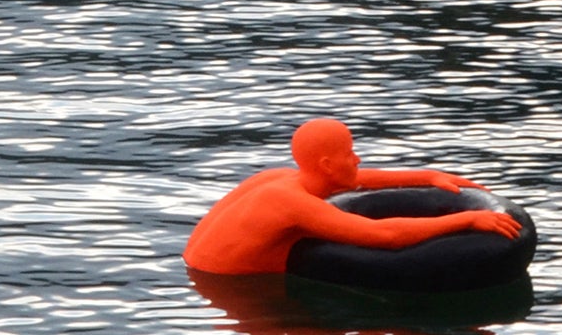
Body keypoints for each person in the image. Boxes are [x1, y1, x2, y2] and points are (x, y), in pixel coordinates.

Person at [183, 118, 520, 276]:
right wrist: (469, 218)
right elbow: (384, 236)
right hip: (229, 290)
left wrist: (428, 176)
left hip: (197, 269)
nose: (357, 158)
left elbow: (357, 180)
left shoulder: (276, 178)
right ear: (328, 165)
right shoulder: (289, 202)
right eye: (350, 152)